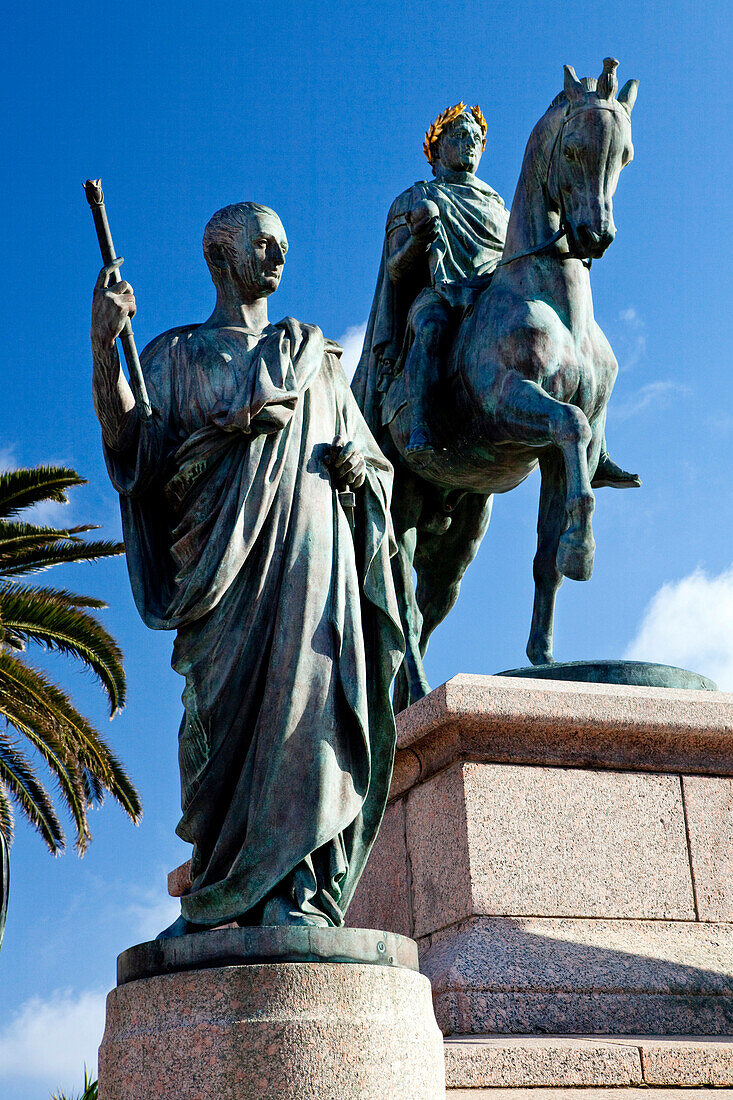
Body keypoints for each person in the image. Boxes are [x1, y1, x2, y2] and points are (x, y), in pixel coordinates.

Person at [91, 202, 403, 934]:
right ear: (219, 256)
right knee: (214, 725)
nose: (278, 259)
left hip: (311, 567)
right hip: (219, 579)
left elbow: (371, 460)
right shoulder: (171, 356)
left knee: (307, 714)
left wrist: (363, 467)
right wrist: (107, 346)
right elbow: (135, 451)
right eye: (263, 244)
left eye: (284, 247)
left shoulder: (314, 355)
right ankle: (220, 885)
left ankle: (294, 892)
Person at [354, 102, 639, 486]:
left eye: (476, 138)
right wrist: (420, 237)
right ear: (436, 149)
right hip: (444, 289)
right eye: (459, 136)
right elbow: (396, 268)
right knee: (432, 325)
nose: (470, 143)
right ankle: (420, 422)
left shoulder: (497, 204)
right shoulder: (417, 196)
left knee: (584, 333)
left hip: (493, 288)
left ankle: (596, 448)